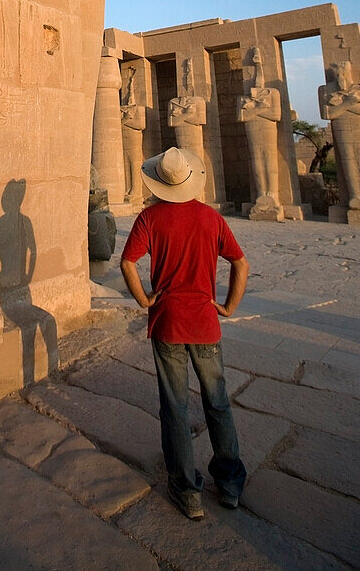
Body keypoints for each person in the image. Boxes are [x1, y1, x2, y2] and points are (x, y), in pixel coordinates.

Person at [120, 146, 249, 521]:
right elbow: (241, 264)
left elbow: (128, 263)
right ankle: (228, 484)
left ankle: (186, 490)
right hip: (205, 321)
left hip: (167, 321)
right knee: (218, 402)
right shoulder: (210, 218)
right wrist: (228, 306)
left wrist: (144, 299)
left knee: (175, 406)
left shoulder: (150, 218)